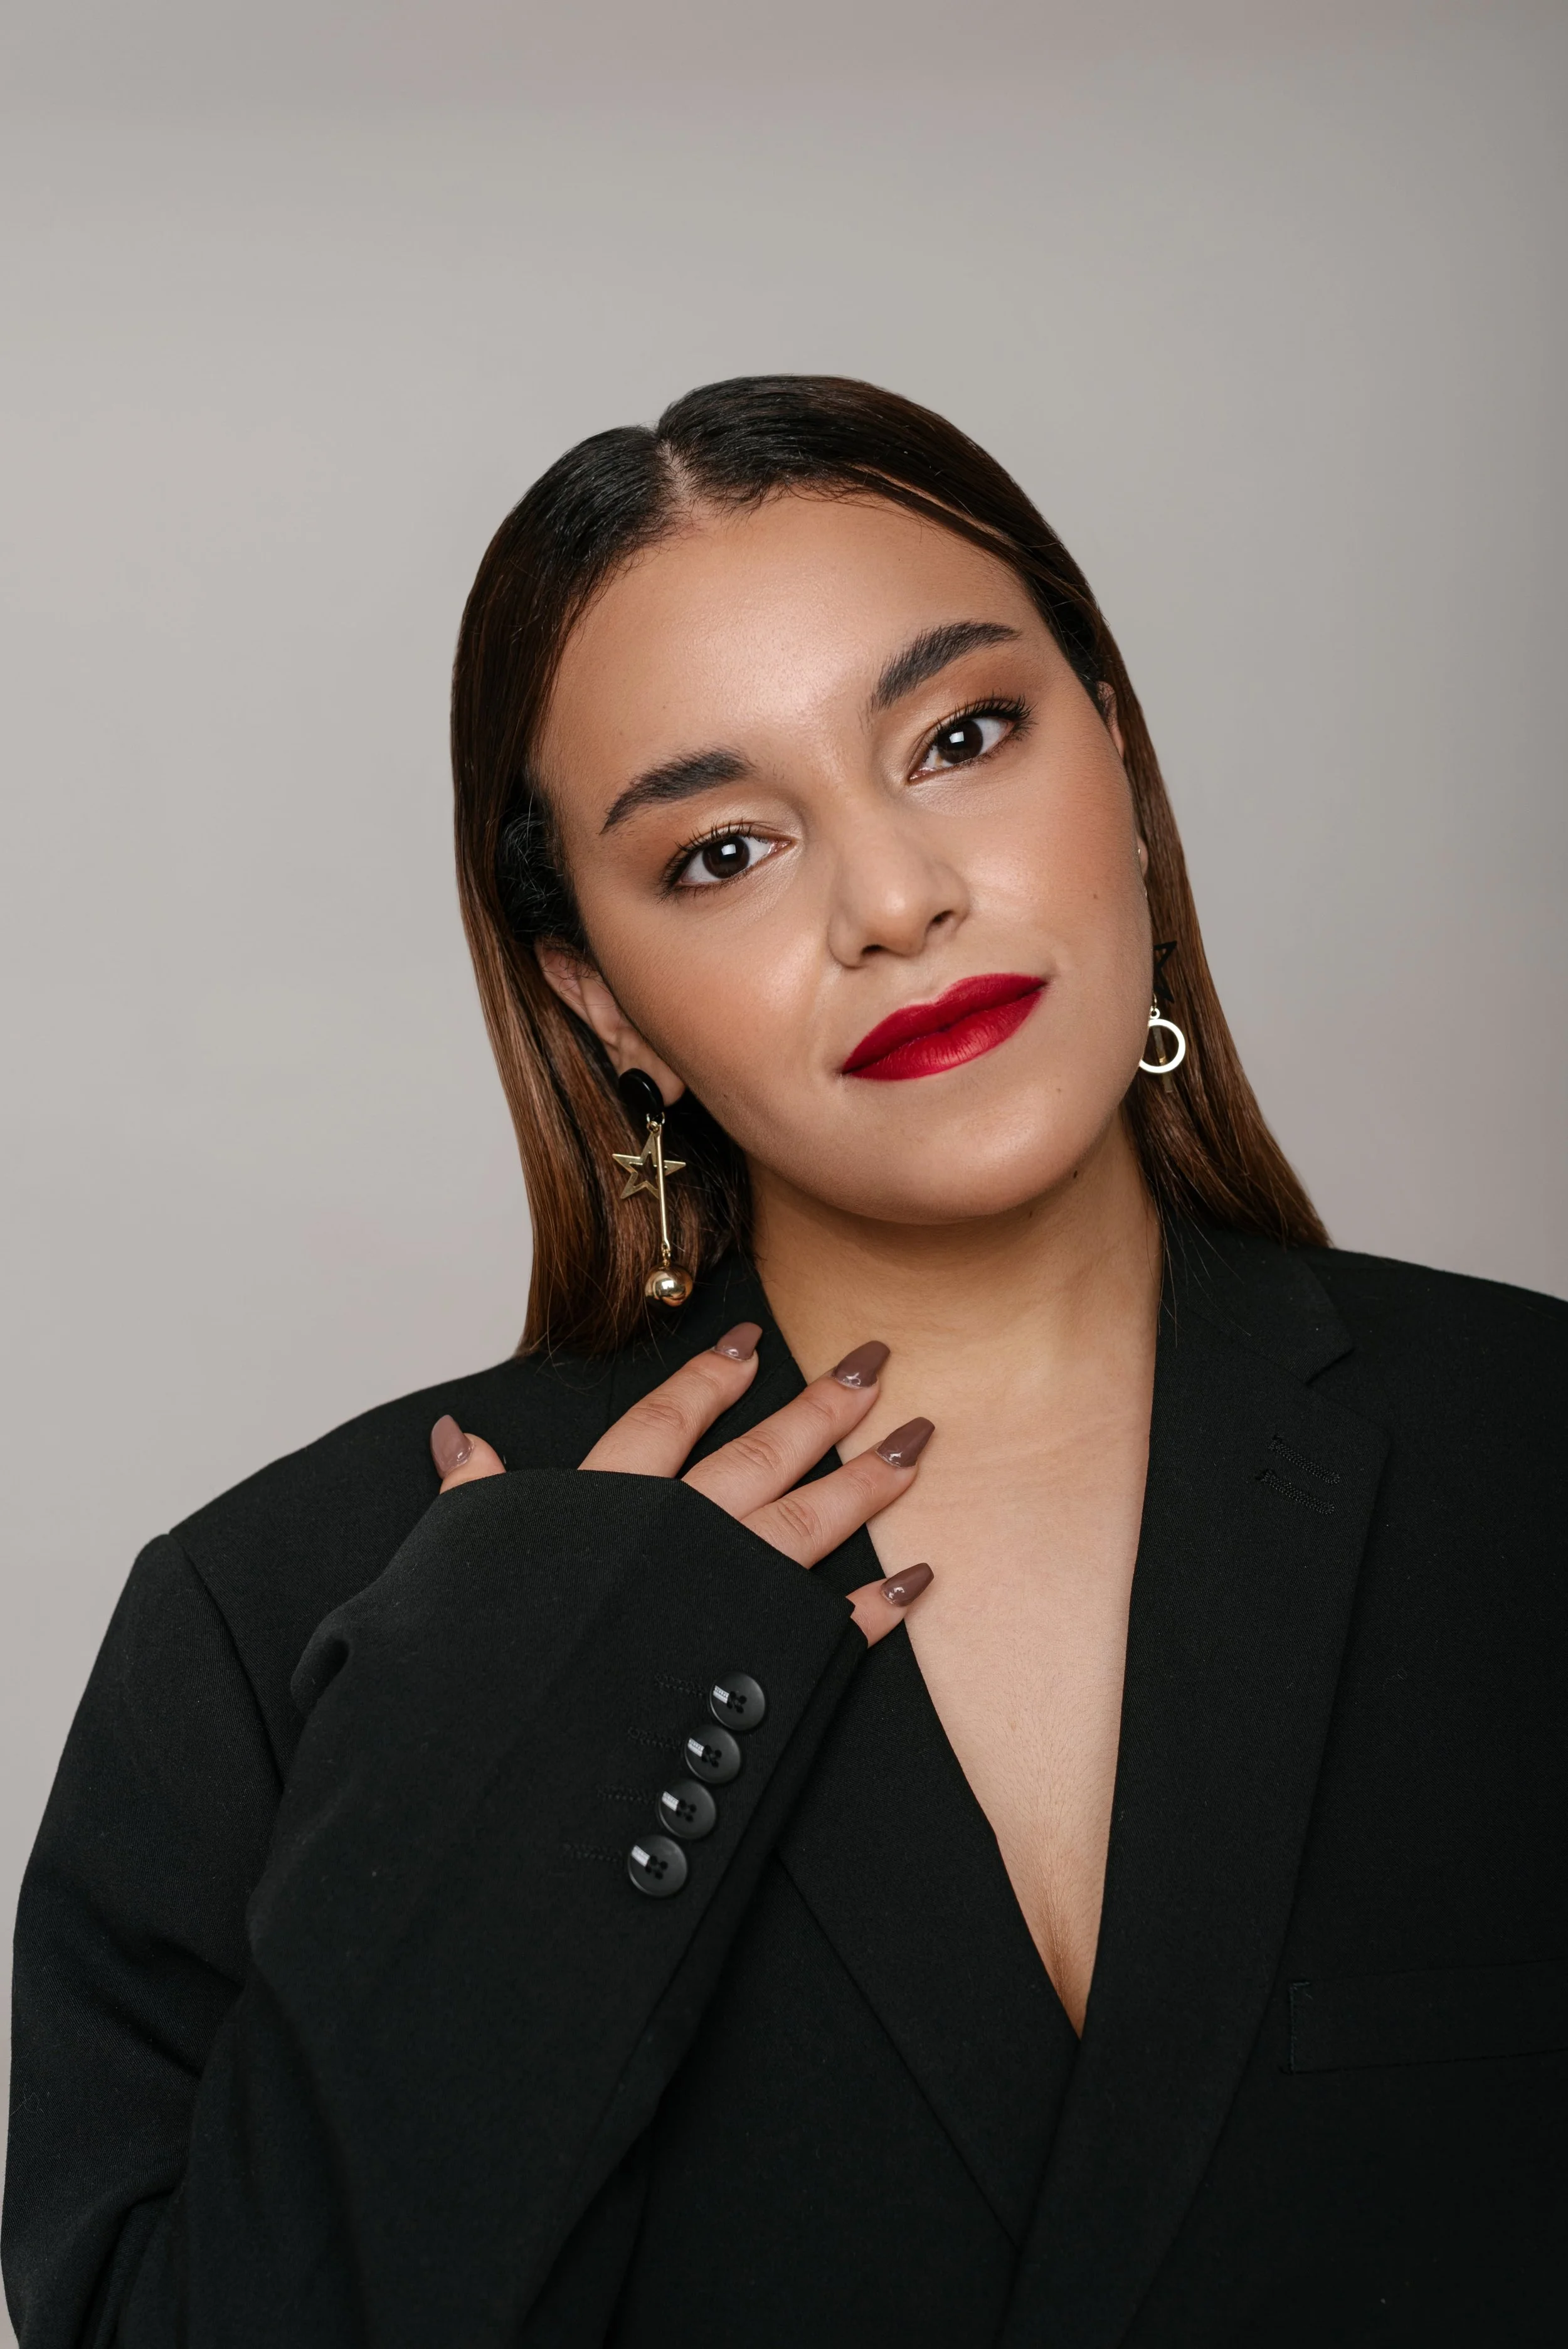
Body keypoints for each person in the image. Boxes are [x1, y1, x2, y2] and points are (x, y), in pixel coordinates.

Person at [4, 376, 1564, 2349]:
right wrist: (493, 1803)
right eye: (723, 850)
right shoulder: (283, 1618)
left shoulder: (1525, 1448)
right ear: (598, 996)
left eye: (961, 739)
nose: (894, 904)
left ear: (1116, 759)